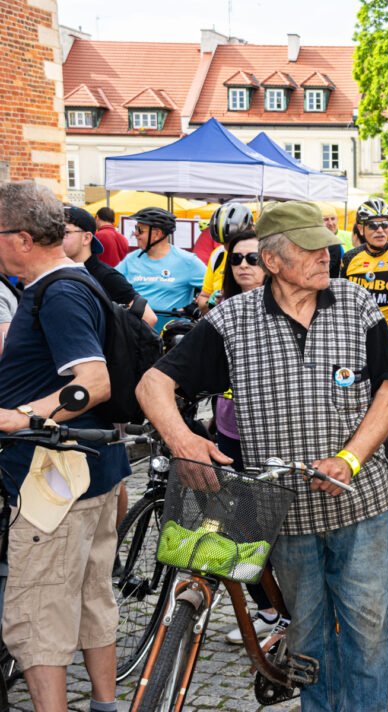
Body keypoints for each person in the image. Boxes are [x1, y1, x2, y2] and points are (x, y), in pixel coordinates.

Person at [136, 201, 388, 710]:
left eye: (326, 247)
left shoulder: (357, 305)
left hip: (360, 503)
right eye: (311, 249)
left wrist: (350, 458)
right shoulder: (231, 321)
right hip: (284, 512)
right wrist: (184, 441)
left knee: (368, 634)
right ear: (274, 261)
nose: (327, 255)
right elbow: (153, 384)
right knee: (308, 636)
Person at [0, 181, 131, 712]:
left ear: (23, 239)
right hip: (91, 468)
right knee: (91, 597)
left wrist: (21, 416)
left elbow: (92, 383)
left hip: (53, 477)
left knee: (38, 613)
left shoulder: (60, 291)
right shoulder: (74, 281)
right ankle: (104, 705)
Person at [197, 228, 288, 644]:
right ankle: (267, 610)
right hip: (231, 430)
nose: (244, 266)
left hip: (276, 436)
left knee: (278, 531)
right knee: (237, 526)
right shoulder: (223, 311)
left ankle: (291, 614)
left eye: (253, 258)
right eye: (236, 259)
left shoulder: (284, 309)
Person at [62, 206, 157, 328]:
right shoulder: (61, 272)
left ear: (86, 238)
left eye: (65, 232)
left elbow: (149, 318)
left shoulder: (106, 276)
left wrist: (112, 343)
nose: (56, 238)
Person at [116, 207, 205, 332]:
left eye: (139, 229)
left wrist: (195, 305)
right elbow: (110, 283)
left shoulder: (187, 261)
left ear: (157, 234)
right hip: (135, 337)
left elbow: (214, 287)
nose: (135, 233)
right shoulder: (130, 260)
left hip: (172, 340)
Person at [341, 198, 388, 339]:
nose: (380, 230)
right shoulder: (348, 258)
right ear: (360, 229)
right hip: (355, 340)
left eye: (385, 224)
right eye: (373, 225)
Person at [196, 203, 255, 314]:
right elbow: (203, 299)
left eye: (235, 241)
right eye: (224, 243)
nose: (229, 248)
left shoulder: (263, 254)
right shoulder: (218, 255)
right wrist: (211, 303)